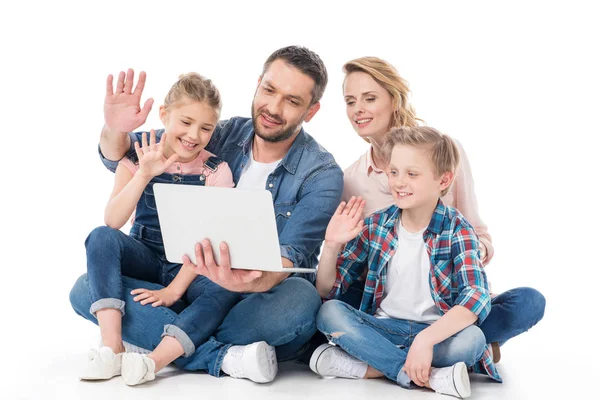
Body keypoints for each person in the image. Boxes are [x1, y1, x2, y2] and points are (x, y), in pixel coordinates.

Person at [70, 45, 344, 384]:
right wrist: (115, 129)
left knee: (297, 303)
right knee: (85, 287)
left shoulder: (322, 173)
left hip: (248, 294)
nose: (273, 107)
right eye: (269, 90)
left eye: (292, 100)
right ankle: (224, 355)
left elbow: (290, 258)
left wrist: (240, 280)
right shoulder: (220, 131)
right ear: (258, 84)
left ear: (312, 111)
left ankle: (155, 331)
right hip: (175, 274)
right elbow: (127, 157)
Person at [338, 57, 545, 360]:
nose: (358, 109)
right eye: (350, 101)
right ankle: (454, 352)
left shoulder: (444, 151)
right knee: (329, 308)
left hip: (446, 299)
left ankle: (411, 349)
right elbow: (353, 263)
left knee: (528, 301)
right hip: (389, 306)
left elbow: (478, 234)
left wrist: (465, 253)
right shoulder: (352, 179)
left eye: (370, 98)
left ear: (394, 99)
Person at [310, 126, 500, 399]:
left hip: (436, 333)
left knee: (473, 340)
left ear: (443, 180)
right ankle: (425, 375)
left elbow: (477, 296)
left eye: (412, 174)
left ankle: (369, 366)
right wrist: (331, 245)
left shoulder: (458, 228)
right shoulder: (377, 224)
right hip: (384, 328)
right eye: (394, 172)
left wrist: (426, 339)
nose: (399, 182)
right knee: (329, 314)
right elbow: (328, 291)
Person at [78, 72, 243, 386]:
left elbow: (209, 239)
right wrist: (143, 174)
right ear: (165, 114)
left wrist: (173, 291)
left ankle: (154, 361)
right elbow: (112, 221)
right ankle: (112, 349)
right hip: (145, 255)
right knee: (100, 238)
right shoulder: (139, 150)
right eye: (186, 121)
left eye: (206, 128)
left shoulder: (215, 171)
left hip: (190, 266)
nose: (194, 134)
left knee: (226, 286)